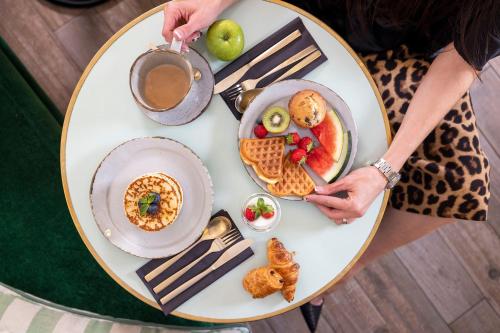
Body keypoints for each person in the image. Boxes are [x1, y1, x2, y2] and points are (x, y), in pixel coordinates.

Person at [162, 0, 499, 331]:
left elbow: (461, 61)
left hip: (394, 47)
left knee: (464, 182)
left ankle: (348, 267)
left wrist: (385, 170)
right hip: (304, 10)